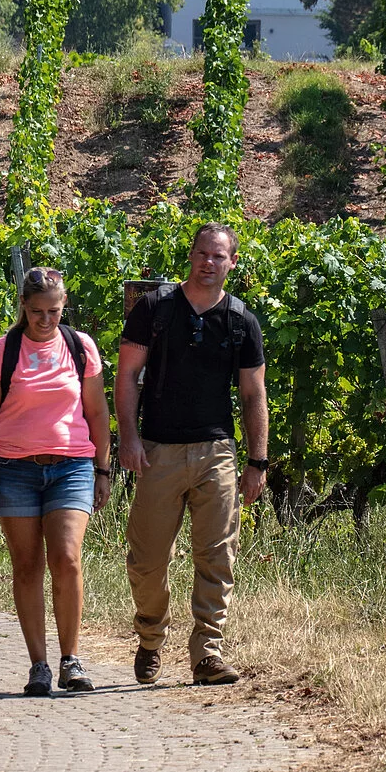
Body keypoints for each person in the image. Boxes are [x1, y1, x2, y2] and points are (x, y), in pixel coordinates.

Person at [116, 223, 269, 687]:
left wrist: (257, 462)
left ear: (232, 263)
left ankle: (207, 651)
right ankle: (150, 635)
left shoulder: (242, 321)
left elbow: (253, 395)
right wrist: (129, 437)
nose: (209, 263)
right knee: (146, 560)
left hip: (217, 450)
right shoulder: (154, 309)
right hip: (158, 450)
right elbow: (126, 378)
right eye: (202, 253)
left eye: (219, 256)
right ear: (191, 256)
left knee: (217, 556)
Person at [0, 268, 111, 697]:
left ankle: (71, 658)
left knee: (67, 557)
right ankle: (39, 664)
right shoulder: (4, 350)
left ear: (64, 305)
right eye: (36, 312)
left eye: (53, 311)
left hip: (71, 465)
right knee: (27, 565)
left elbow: (97, 412)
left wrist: (103, 468)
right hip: (13, 468)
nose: (45, 320)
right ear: (23, 308)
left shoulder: (80, 346)